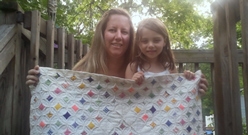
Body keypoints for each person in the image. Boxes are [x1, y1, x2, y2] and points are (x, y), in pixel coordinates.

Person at [26, 9, 208, 94]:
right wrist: (42, 84)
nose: (119, 36)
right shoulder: (82, 72)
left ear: (132, 38)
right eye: (113, 30)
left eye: (125, 32)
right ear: (102, 34)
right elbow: (64, 100)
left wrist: (190, 89)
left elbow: (167, 97)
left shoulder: (139, 68)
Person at [125, 17, 205, 94]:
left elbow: (176, 92)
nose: (151, 45)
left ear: (164, 41)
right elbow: (126, 95)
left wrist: (188, 78)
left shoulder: (170, 67)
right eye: (145, 41)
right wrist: (133, 81)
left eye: (156, 40)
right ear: (139, 44)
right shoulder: (133, 67)